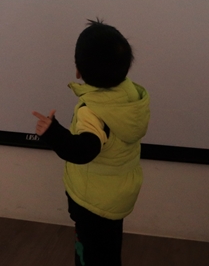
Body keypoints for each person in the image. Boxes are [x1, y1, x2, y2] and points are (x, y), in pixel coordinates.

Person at [32, 19, 151, 266]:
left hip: (92, 201)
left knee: (89, 254)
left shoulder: (92, 111)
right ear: (126, 69)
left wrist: (53, 133)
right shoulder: (130, 97)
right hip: (116, 197)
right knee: (107, 251)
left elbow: (85, 150)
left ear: (78, 71)